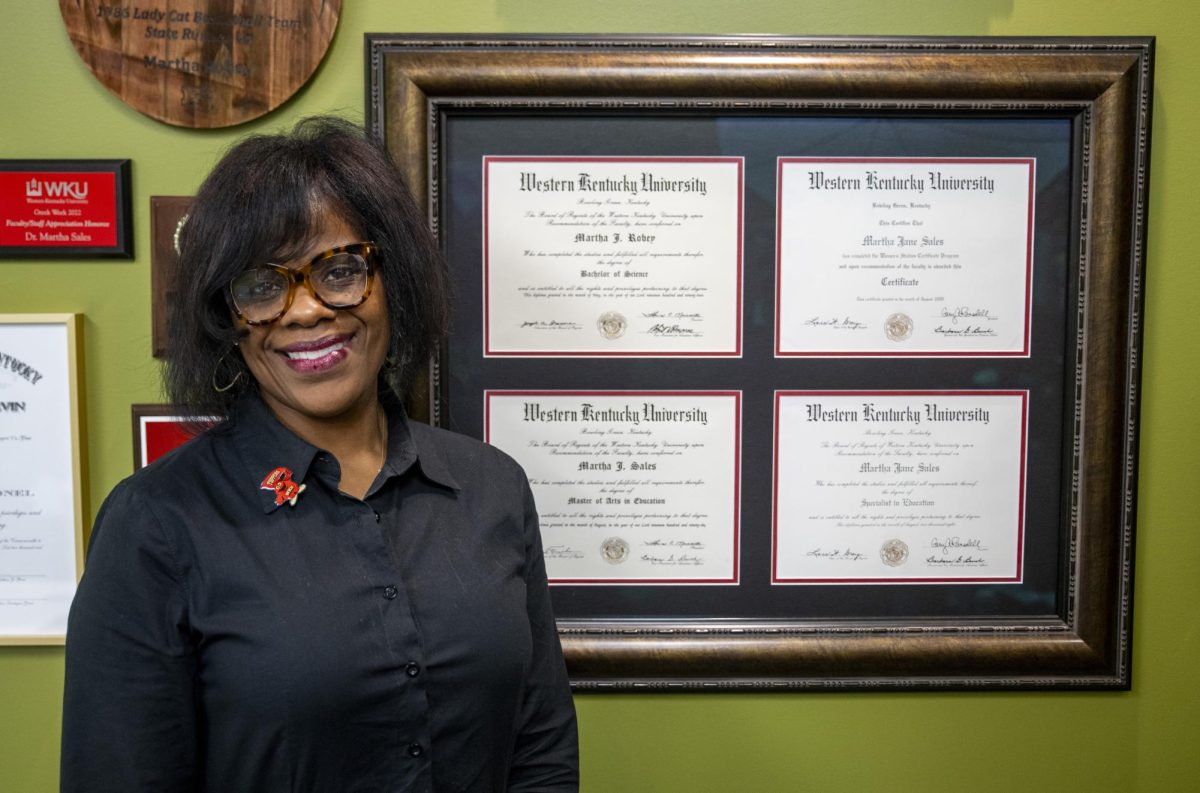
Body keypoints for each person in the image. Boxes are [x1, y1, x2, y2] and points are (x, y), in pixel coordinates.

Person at [61, 117, 579, 792]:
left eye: (339, 271)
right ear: (229, 316)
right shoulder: (155, 524)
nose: (304, 311)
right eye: (261, 285)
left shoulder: (492, 488)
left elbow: (540, 752)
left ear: (393, 280)